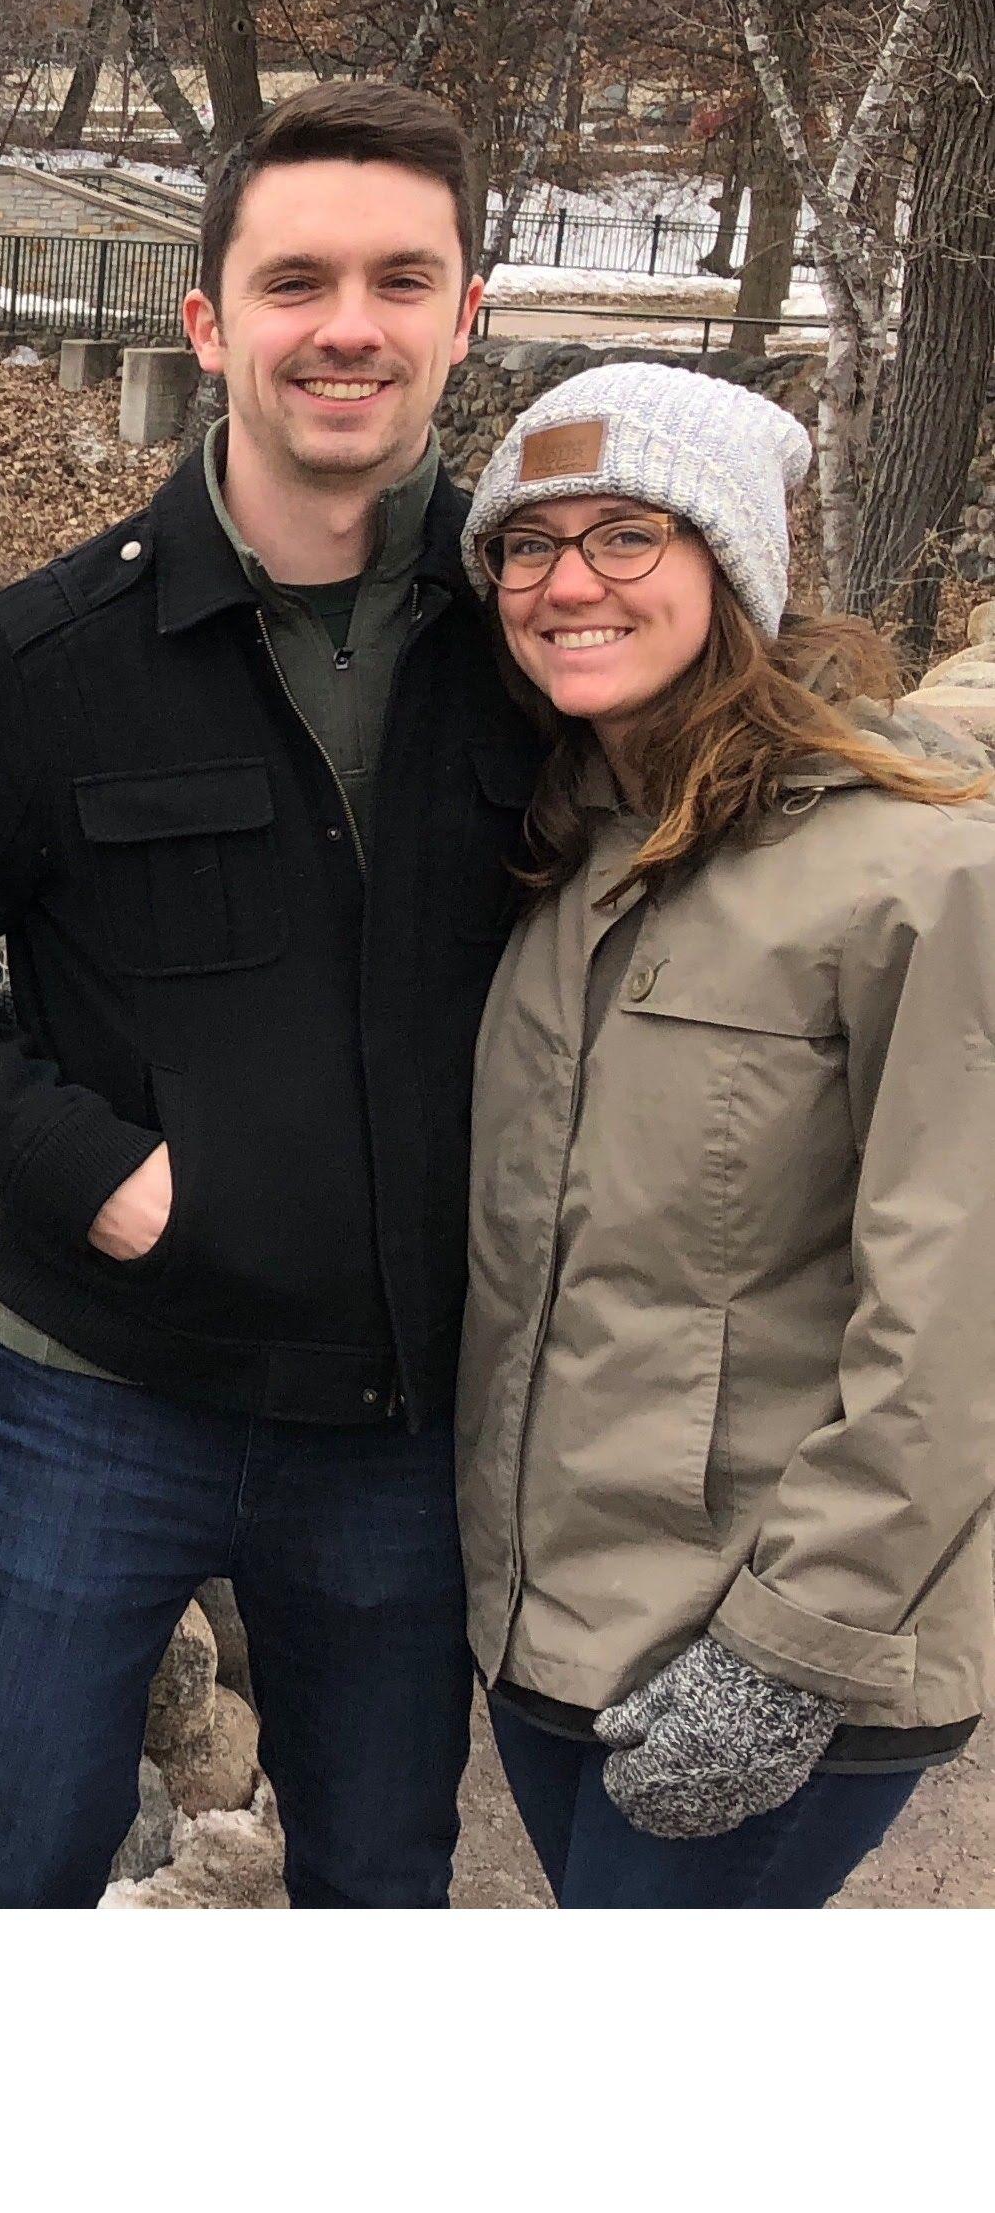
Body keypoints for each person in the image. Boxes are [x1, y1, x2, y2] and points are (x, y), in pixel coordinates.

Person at [0, 81, 538, 1906]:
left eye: (399, 278)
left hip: (402, 1404)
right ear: (209, 321)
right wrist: (82, 1165)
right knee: (10, 1856)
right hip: (98, 1386)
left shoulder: (539, 644)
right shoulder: (45, 654)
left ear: (467, 312)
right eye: (295, 280)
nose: (346, 325)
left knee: (382, 1871)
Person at [456, 362, 995, 1907]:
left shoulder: (911, 877)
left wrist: (784, 1656)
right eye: (528, 543)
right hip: (553, 1622)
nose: (569, 583)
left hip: (772, 1652)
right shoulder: (569, 847)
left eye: (628, 535)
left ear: (731, 568)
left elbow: (950, 1319)